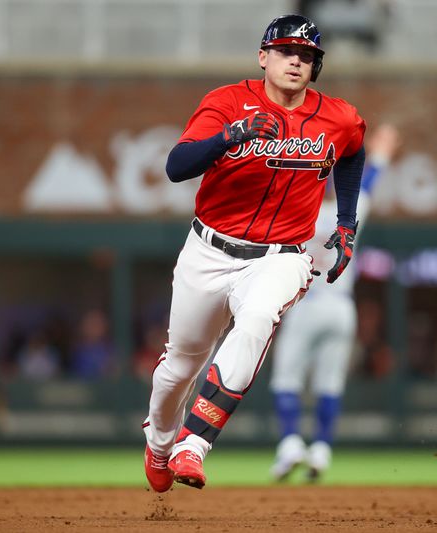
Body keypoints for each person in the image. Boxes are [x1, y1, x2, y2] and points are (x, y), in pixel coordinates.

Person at [141, 14, 367, 493]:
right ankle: (160, 446)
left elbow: (353, 152)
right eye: (286, 51)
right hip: (209, 250)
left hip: (281, 255)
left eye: (306, 56)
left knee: (258, 317)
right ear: (263, 56)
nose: (295, 61)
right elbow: (176, 167)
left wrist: (347, 221)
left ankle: (193, 445)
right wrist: (231, 135)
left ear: (315, 67)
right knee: (179, 366)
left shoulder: (339, 116)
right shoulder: (226, 103)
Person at [268, 123, 399, 482]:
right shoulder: (350, 214)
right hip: (342, 307)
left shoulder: (300, 214)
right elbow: (368, 182)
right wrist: (383, 152)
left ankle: (291, 443)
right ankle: (322, 450)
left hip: (306, 305)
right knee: (329, 382)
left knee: (286, 379)